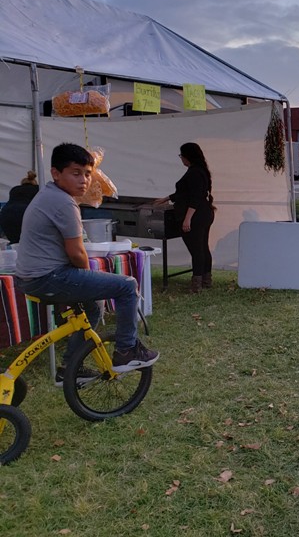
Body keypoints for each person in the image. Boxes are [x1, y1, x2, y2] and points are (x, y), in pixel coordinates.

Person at [14, 143, 159, 380]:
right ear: (55, 173)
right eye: (76, 173)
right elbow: (77, 254)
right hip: (46, 278)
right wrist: (88, 276)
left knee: (94, 306)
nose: (84, 180)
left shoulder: (50, 194)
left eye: (88, 174)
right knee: (127, 285)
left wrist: (89, 281)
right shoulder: (63, 202)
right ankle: (126, 351)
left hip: (32, 277)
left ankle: (71, 369)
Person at [154, 142, 215, 293]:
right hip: (205, 213)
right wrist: (166, 198)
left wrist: (187, 219)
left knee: (197, 249)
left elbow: (195, 197)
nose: (181, 159)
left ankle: (196, 284)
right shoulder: (200, 170)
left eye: (181, 155)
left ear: (188, 156)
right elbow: (185, 192)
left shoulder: (194, 172)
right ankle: (206, 279)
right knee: (202, 247)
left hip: (196, 215)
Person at [0, 171, 39, 244]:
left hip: (6, 215)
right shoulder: (38, 189)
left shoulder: (14, 190)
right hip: (25, 215)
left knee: (15, 241)